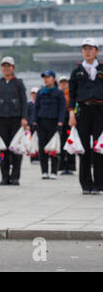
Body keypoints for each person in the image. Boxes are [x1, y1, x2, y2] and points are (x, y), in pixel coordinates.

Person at [68, 38, 103, 195]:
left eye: (90, 48)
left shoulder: (102, 68)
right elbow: (72, 95)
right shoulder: (77, 71)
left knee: (99, 148)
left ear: (96, 51)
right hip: (82, 111)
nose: (87, 51)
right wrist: (71, 114)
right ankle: (86, 184)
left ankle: (98, 184)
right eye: (84, 48)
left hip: (100, 111)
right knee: (83, 149)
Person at [0, 57, 28, 186]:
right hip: (1, 119)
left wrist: (24, 118)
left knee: (16, 149)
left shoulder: (18, 83)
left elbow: (24, 101)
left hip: (16, 119)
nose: (6, 68)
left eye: (9, 66)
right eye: (4, 66)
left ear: (13, 68)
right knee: (3, 149)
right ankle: (4, 177)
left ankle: (15, 177)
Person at [32, 70, 66, 180]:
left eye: (48, 77)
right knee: (42, 148)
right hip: (41, 122)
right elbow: (36, 108)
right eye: (44, 77)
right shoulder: (41, 92)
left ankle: (53, 171)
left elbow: (62, 108)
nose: (46, 79)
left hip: (54, 122)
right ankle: (44, 171)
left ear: (53, 79)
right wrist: (34, 121)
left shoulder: (59, 93)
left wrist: (61, 122)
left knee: (54, 147)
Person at [58, 76, 76, 175]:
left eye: (65, 82)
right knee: (61, 143)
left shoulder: (72, 94)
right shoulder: (57, 94)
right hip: (61, 120)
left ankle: (70, 166)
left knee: (70, 142)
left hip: (70, 119)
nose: (64, 84)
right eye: (62, 82)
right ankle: (61, 166)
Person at [28, 87, 40, 163]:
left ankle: (38, 157)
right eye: (33, 93)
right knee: (31, 142)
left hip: (39, 125)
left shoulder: (40, 104)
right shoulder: (28, 104)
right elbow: (27, 115)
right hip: (31, 125)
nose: (34, 95)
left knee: (39, 142)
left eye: (36, 94)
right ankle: (32, 158)